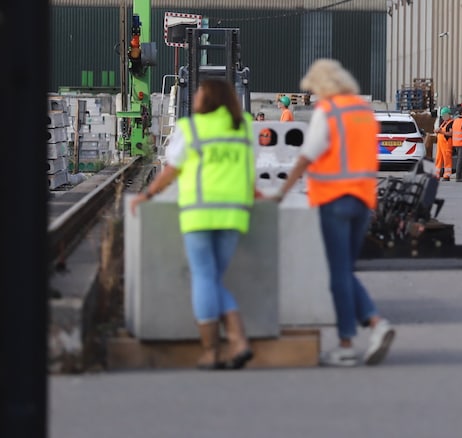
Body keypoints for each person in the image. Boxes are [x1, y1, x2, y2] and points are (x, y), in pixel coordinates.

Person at [131, 78, 257, 370]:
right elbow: (251, 167)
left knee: (204, 278)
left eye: (200, 92)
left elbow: (172, 170)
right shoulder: (244, 127)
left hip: (199, 213)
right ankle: (238, 341)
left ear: (207, 98)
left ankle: (212, 351)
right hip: (234, 214)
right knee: (212, 279)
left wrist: (147, 194)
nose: (196, 96)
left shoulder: (191, 128)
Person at [275, 59, 394, 367]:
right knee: (345, 269)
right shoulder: (364, 112)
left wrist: (281, 191)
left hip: (334, 199)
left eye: (314, 89)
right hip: (362, 200)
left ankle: (350, 340)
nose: (314, 96)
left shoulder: (329, 112)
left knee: (338, 273)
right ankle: (373, 323)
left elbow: (308, 154)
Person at [434, 106, 455, 181]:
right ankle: (436, 174)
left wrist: (441, 132)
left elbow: (451, 133)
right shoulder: (443, 123)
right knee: (438, 159)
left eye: (445, 115)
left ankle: (447, 175)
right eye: (443, 115)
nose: (444, 117)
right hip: (440, 144)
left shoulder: (452, 123)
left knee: (447, 159)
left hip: (447, 143)